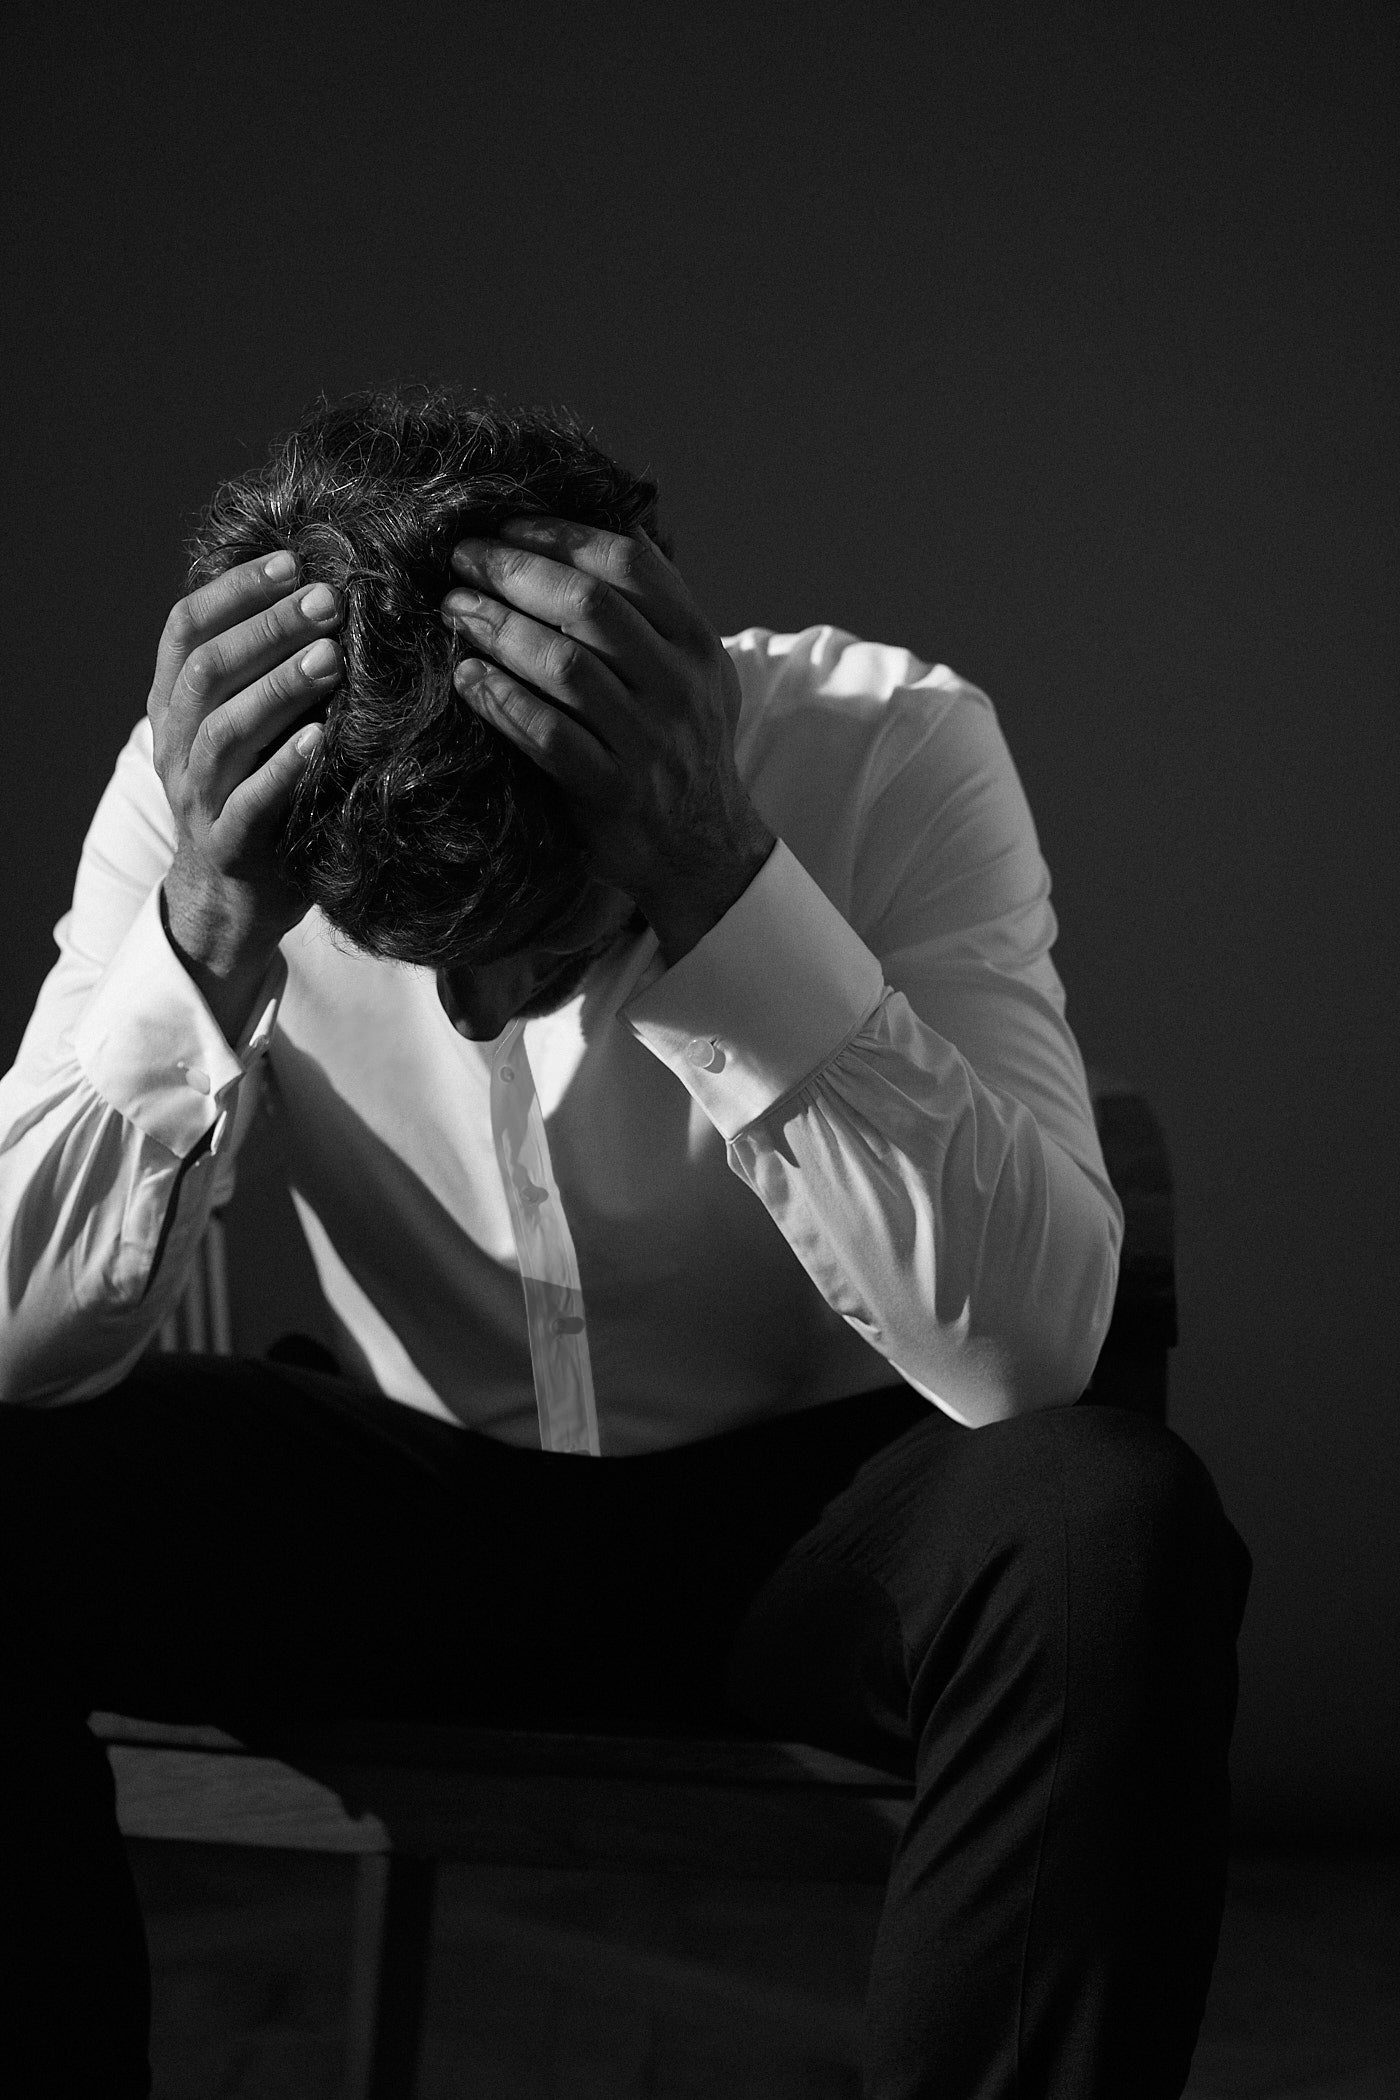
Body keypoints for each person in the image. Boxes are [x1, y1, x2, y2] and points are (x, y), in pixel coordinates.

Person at [0, 387, 1250, 2098]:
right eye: (419, 956)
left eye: (547, 941)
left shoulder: (892, 744)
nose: (489, 1015)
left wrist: (720, 883)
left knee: (1112, 1529)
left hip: (814, 1531)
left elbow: (1032, 1352)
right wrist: (208, 930)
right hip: (411, 1514)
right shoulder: (226, 776)